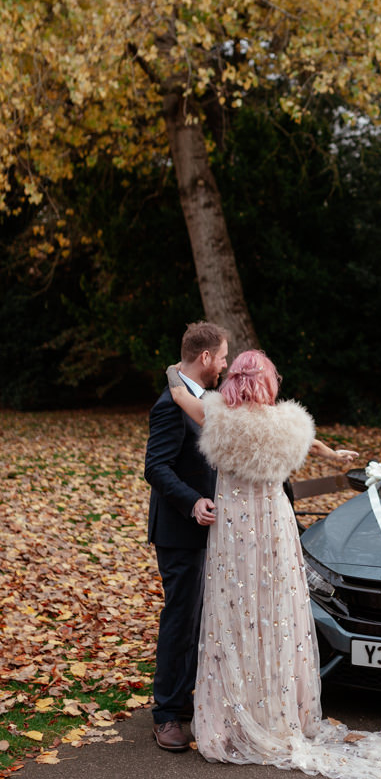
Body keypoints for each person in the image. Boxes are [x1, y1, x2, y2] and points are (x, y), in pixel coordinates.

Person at [167, 350, 381, 779]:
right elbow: (312, 442)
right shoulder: (290, 424)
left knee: (236, 613)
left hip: (235, 529)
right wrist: (335, 455)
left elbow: (178, 393)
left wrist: (175, 368)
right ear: (269, 383)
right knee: (277, 613)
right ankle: (282, 712)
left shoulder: (218, 416)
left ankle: (233, 721)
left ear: (234, 383)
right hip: (274, 525)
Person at [144, 320, 229, 752]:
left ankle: (187, 700)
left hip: (206, 530)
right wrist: (193, 501)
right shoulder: (169, 405)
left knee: (198, 620)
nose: (226, 364)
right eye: (223, 356)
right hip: (180, 530)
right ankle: (167, 714)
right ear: (206, 357)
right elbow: (155, 467)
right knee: (180, 620)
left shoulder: (203, 399)